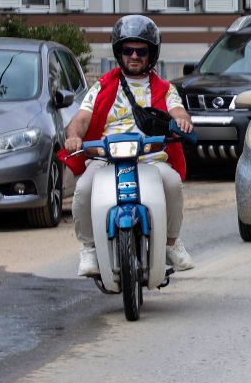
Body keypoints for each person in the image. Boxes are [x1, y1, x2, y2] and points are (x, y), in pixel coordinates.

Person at [64, 15, 196, 276]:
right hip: (106, 158)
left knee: (172, 183)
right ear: (119, 52)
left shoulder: (165, 88)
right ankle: (89, 248)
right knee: (83, 187)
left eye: (141, 50)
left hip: (149, 157)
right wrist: (74, 136)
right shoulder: (101, 85)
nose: (134, 56)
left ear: (151, 54)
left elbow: (178, 111)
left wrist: (183, 122)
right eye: (128, 50)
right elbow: (81, 118)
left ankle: (171, 243)